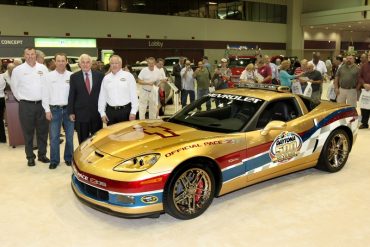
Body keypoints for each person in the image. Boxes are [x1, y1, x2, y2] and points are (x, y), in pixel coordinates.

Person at [10, 48, 50, 166]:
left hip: (42, 105)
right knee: (28, 133)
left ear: (35, 55)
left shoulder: (42, 68)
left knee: (43, 132)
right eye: (27, 54)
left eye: (32, 54)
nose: (30, 56)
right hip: (26, 105)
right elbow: (14, 87)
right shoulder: (18, 70)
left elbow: (46, 86)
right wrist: (23, 99)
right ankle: (30, 157)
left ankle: (42, 155)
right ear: (24, 55)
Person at [42, 53, 74, 169]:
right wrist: (47, 110)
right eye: (58, 61)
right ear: (54, 62)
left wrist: (73, 111)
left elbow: (74, 95)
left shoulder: (72, 76)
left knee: (70, 137)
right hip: (54, 110)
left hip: (68, 110)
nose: (61, 63)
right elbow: (44, 94)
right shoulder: (48, 77)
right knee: (54, 137)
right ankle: (54, 160)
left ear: (66, 62)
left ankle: (69, 158)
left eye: (63, 60)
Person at [67, 54, 104, 144]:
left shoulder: (100, 76)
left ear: (91, 63)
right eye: (83, 62)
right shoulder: (74, 77)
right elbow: (72, 95)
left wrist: (104, 111)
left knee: (97, 140)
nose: (85, 64)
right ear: (79, 64)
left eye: (87, 62)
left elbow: (103, 95)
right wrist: (71, 112)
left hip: (96, 114)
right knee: (83, 141)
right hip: (81, 115)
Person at [98, 55, 138, 125]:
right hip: (110, 112)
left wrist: (133, 111)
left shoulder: (128, 76)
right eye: (112, 63)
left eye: (116, 63)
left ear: (121, 64)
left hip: (125, 112)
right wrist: (102, 113)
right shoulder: (106, 78)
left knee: (126, 134)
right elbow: (102, 96)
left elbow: (134, 95)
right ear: (110, 65)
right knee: (111, 135)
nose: (114, 65)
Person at [358, 52, 370, 129]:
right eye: (369, 55)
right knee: (364, 107)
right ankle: (364, 123)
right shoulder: (364, 66)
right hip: (365, 90)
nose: (369, 56)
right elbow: (359, 77)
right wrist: (364, 84)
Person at [0, 72, 5, 143]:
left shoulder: (1, 76)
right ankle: (2, 138)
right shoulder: (2, 76)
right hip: (1, 98)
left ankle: (2, 138)